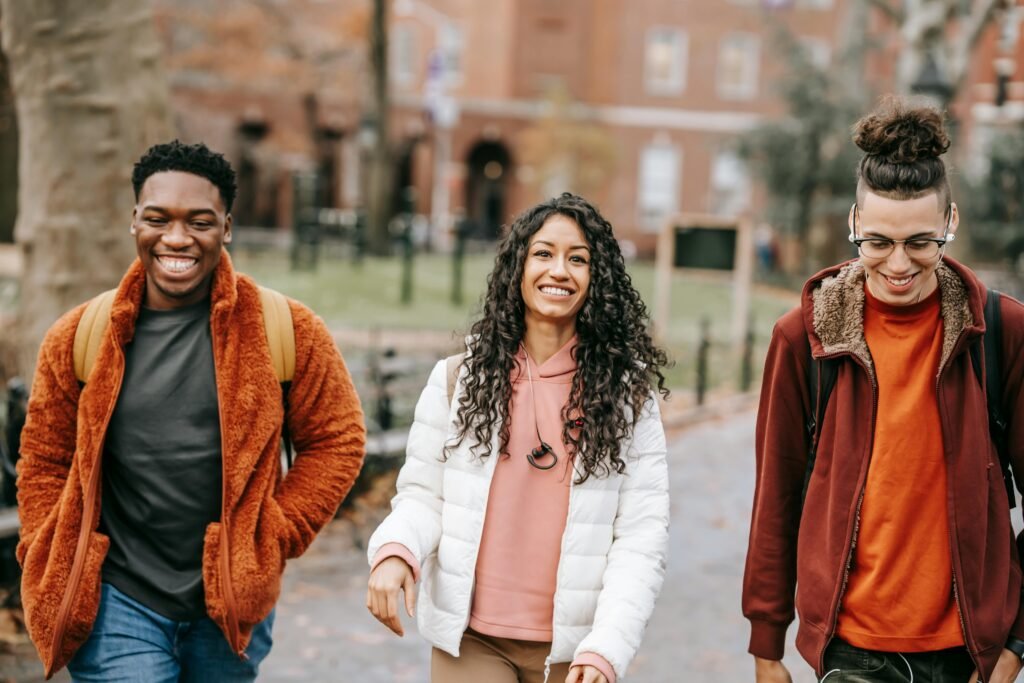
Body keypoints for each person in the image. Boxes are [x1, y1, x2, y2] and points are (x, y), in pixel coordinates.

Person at [16, 140, 366, 681]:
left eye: (199, 222)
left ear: (226, 228)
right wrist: (47, 549)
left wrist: (272, 533)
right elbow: (43, 457)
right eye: (158, 219)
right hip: (115, 600)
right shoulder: (80, 336)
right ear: (135, 222)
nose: (176, 238)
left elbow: (337, 440)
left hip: (230, 605)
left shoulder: (285, 329)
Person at [743, 98, 1024, 683]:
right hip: (850, 652)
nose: (898, 264)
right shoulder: (805, 337)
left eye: (921, 242)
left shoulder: (1002, 333)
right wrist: (766, 645)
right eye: (877, 242)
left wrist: (1015, 645)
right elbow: (776, 496)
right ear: (854, 224)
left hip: (971, 652)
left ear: (951, 222)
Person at [365, 193, 670, 683]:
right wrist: (397, 550)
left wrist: (607, 648)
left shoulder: (628, 398)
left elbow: (640, 539)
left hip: (576, 652)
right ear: (518, 267)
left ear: (600, 279)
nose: (559, 271)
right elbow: (424, 496)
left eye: (578, 259)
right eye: (543, 253)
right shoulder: (458, 381)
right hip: (473, 641)